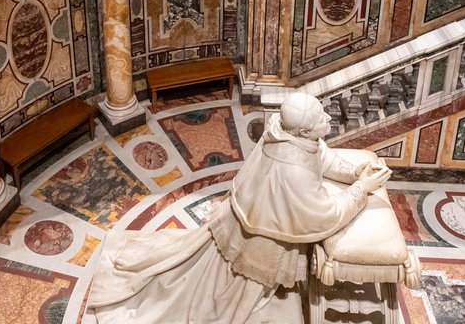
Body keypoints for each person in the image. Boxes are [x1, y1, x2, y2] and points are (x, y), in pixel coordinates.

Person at [87, 92, 392, 324]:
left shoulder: (284, 132)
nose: (328, 118)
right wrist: (359, 191)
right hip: (261, 245)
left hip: (244, 218)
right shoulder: (293, 171)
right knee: (214, 298)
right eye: (320, 118)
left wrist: (353, 173)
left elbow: (320, 156)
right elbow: (322, 215)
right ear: (302, 132)